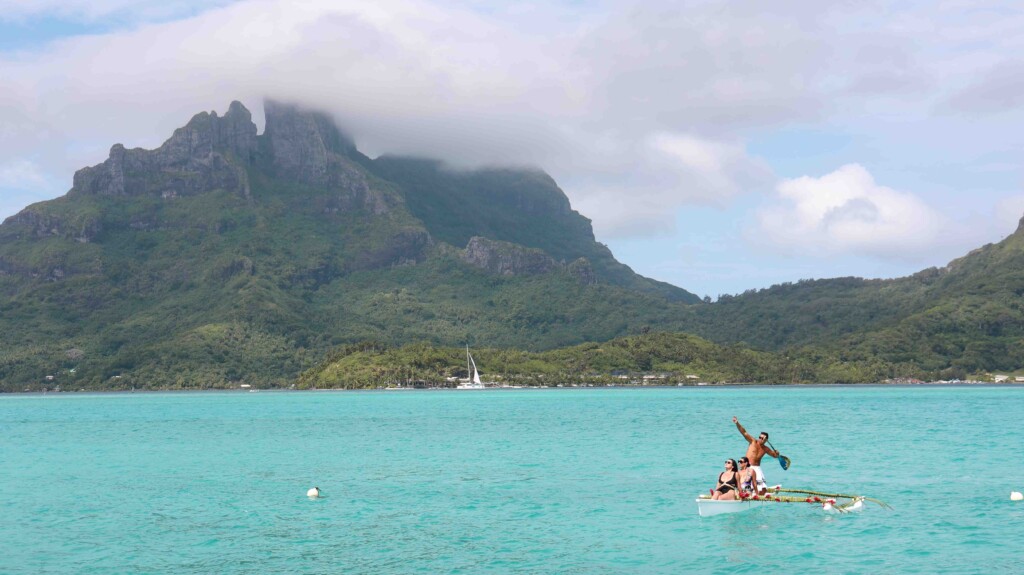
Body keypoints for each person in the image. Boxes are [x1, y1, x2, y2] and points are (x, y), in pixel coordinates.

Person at [732, 417, 779, 494]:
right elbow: (744, 432)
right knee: (745, 484)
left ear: (766, 440)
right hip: (748, 467)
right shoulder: (753, 442)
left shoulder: (766, 449)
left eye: (762, 438)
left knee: (763, 489)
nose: (760, 439)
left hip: (757, 468)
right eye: (759, 437)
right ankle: (742, 494)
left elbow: (774, 456)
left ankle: (756, 496)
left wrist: (777, 453)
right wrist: (737, 423)